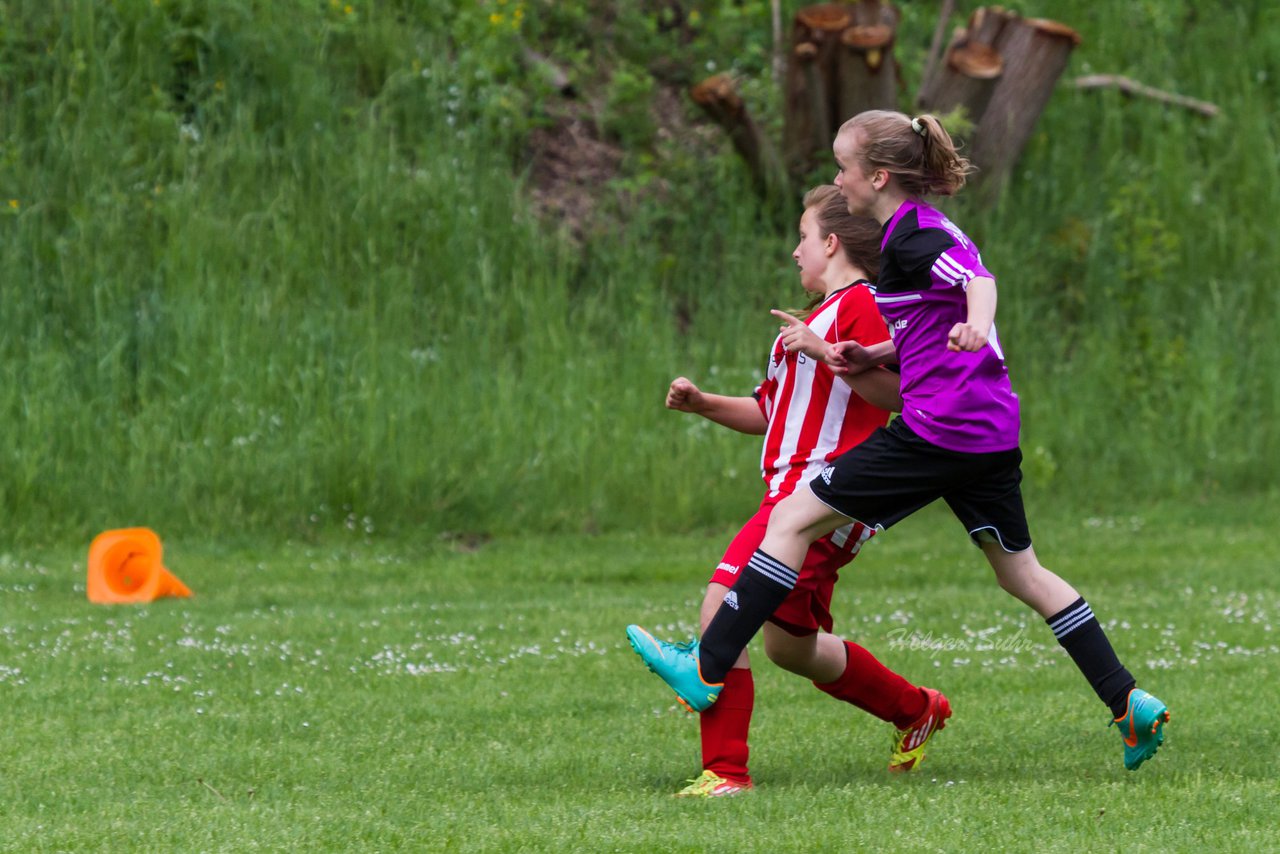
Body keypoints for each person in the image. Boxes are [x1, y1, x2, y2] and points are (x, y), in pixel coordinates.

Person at [629, 111, 1170, 773]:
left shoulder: (913, 235)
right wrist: (875, 350)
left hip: (939, 431)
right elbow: (933, 314)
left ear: (877, 176)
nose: (838, 180)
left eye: (843, 167)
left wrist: (977, 324)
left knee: (795, 516)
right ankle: (1127, 700)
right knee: (1021, 573)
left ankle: (707, 667)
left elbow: (977, 281)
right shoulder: (908, 240)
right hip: (988, 433)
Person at [627, 185, 951, 798]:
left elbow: (901, 394)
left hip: (823, 496)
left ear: (831, 243)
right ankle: (917, 709)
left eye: (802, 237)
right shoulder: (810, 323)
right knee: (791, 647)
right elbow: (767, 409)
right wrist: (701, 405)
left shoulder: (861, 305)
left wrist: (827, 353)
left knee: (721, 601)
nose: (795, 251)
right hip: (794, 494)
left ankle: (726, 773)